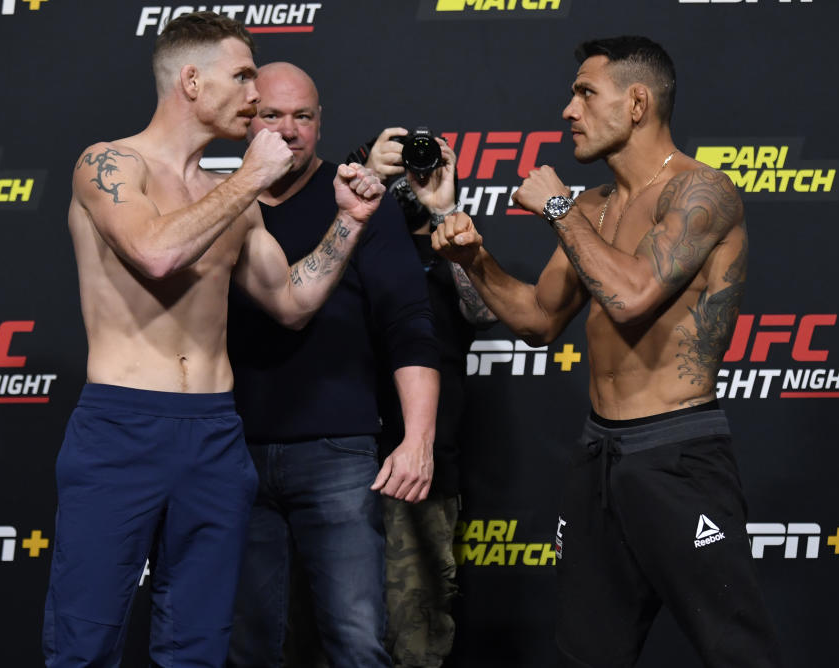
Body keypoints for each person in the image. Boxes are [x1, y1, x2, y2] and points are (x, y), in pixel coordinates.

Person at [42, 12, 385, 667]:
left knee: (198, 646)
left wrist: (348, 223)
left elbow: (293, 301)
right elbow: (154, 253)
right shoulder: (111, 164)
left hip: (215, 434)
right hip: (123, 428)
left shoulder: (230, 196)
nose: (257, 98)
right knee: (84, 645)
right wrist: (249, 178)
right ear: (192, 81)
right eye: (243, 77)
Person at [431, 36, 782, 667]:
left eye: (586, 92)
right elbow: (539, 321)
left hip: (677, 456)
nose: (568, 109)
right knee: (589, 653)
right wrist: (473, 261)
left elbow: (632, 295)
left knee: (737, 653)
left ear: (638, 103)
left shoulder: (701, 193)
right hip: (599, 455)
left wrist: (558, 207)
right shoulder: (594, 207)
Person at [225, 62, 440, 668]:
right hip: (227, 452)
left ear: (321, 123)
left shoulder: (361, 200)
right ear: (246, 119)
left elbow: (410, 327)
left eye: (304, 116)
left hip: (337, 454)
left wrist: (418, 438)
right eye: (271, 115)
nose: (289, 130)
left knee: (356, 642)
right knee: (245, 646)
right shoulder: (217, 202)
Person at [359, 128, 496, 667]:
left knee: (417, 638)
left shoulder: (454, 242)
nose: (414, 169)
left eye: (426, 160)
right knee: (324, 636)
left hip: (424, 474)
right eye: (401, 159)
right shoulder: (348, 236)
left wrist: (445, 211)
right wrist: (370, 184)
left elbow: (484, 313)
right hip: (337, 463)